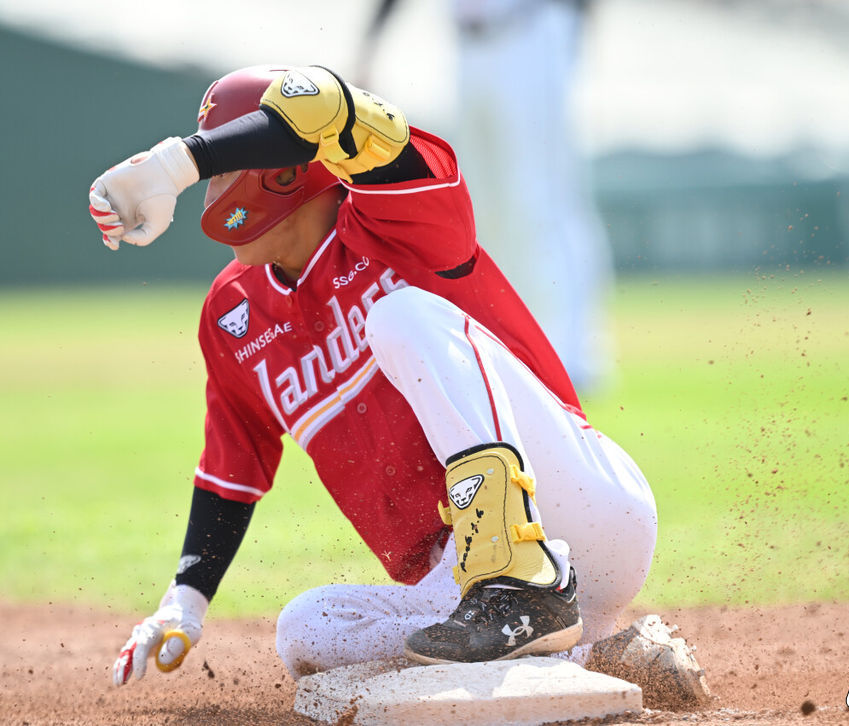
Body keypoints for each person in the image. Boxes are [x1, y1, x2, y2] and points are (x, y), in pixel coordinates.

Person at [88, 64, 658, 685]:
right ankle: (593, 653)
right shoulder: (232, 313)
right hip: (459, 580)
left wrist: (178, 160)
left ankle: (522, 579)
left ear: (280, 172)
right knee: (305, 629)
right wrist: (184, 601)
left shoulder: (399, 221)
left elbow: (323, 106)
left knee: (399, 316)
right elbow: (231, 473)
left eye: (225, 163)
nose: (206, 185)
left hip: (579, 503)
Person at [359, 0, 615, 390]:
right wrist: (372, 41)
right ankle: (516, 347)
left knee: (539, 200)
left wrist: (573, 26)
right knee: (485, 210)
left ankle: (575, 353)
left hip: (532, 30)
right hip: (470, 44)